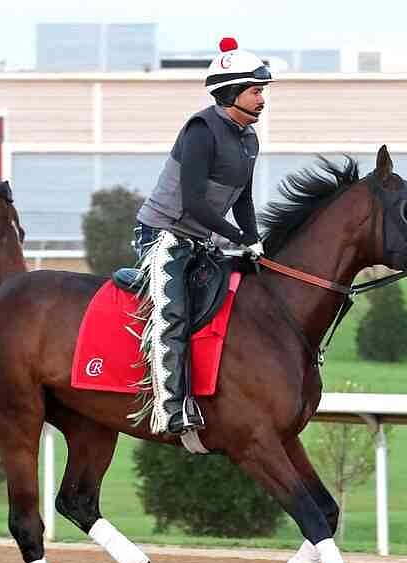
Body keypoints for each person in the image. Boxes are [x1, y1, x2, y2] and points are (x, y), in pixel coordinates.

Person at [134, 37, 270, 437]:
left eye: (262, 91)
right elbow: (194, 202)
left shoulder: (249, 139)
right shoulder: (201, 131)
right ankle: (170, 408)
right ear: (231, 94)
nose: (262, 98)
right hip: (161, 236)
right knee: (172, 312)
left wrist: (254, 239)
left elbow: (243, 199)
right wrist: (235, 237)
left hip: (199, 241)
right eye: (255, 91)